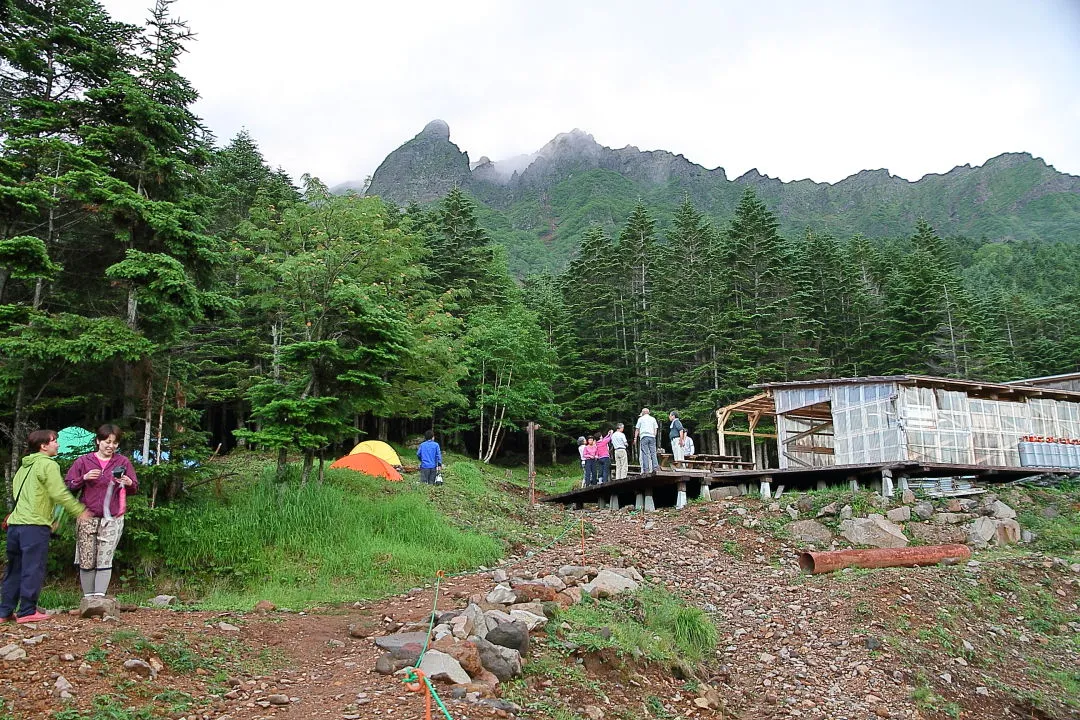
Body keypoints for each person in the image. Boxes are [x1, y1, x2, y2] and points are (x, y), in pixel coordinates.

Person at [1, 430, 90, 623]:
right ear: (43, 446)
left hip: (16, 525)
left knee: (14, 569)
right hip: (34, 525)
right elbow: (58, 493)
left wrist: (51, 517)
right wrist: (79, 510)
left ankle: (5, 611)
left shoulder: (23, 467)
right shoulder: (48, 465)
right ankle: (27, 611)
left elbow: (22, 496)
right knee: (33, 567)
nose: (57, 444)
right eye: (54, 441)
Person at [64, 424, 138, 599]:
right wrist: (84, 478)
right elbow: (67, 485)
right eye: (107, 441)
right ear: (98, 441)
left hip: (112, 517)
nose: (110, 446)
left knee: (105, 557)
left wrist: (128, 482)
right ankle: (88, 599)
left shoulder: (122, 462)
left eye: (114, 443)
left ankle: (99, 598)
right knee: (86, 556)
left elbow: (134, 487)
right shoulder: (83, 461)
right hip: (87, 514)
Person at [634, 408, 659, 473]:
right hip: (652, 436)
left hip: (644, 436)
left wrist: (635, 438)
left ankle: (646, 469)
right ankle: (655, 467)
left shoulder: (640, 419)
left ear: (642, 413)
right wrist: (654, 436)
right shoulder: (653, 419)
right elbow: (655, 428)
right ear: (648, 412)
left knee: (645, 453)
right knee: (653, 453)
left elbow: (637, 429)